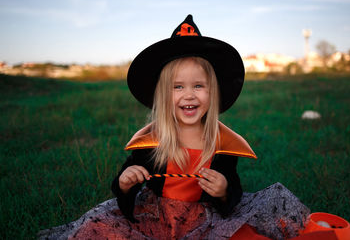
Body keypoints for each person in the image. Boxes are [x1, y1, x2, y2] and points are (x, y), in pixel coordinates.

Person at [38, 15, 310, 240]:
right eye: (177, 87)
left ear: (212, 93)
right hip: (154, 215)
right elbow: (127, 180)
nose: (188, 95)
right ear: (163, 96)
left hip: (204, 217)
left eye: (198, 86)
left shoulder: (222, 142)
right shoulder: (153, 139)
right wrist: (124, 183)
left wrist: (224, 189)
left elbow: (233, 190)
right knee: (99, 228)